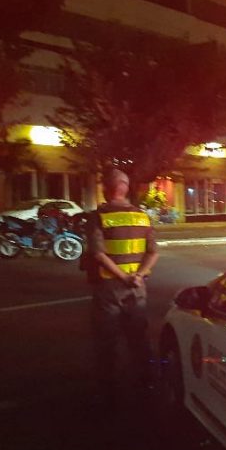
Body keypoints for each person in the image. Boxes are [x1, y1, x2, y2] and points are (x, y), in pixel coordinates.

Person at [83, 168, 158, 401]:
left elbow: (98, 254)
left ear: (107, 189)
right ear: (125, 188)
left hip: (109, 288)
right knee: (139, 338)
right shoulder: (141, 216)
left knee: (107, 340)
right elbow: (153, 252)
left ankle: (109, 391)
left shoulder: (99, 216)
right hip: (138, 288)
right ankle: (147, 382)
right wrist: (138, 276)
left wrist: (122, 277)